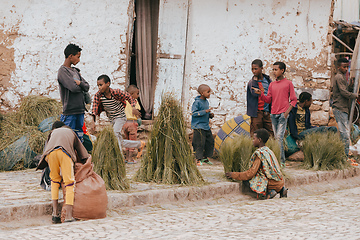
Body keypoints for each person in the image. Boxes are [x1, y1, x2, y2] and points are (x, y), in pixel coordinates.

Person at [36, 121, 89, 224]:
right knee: (69, 183)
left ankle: (55, 214)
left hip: (50, 154)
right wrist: (85, 161)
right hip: (64, 153)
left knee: (54, 181)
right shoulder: (71, 132)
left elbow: (46, 147)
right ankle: (69, 216)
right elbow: (82, 152)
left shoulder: (52, 133)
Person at [90, 75, 146, 159]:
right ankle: (139, 144)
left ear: (108, 84)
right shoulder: (98, 96)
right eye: (98, 85)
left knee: (115, 133)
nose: (99, 87)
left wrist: (133, 107)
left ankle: (119, 158)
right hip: (112, 119)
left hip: (121, 117)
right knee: (118, 140)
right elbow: (94, 109)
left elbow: (129, 96)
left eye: (101, 85)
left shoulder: (116, 92)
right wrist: (93, 122)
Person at [253, 61, 297, 167]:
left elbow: (294, 100)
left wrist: (286, 112)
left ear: (282, 70)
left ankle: (281, 161)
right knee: (276, 138)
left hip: (282, 115)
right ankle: (277, 159)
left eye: (276, 69)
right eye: (273, 69)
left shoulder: (288, 83)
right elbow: (268, 100)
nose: (274, 72)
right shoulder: (272, 84)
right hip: (273, 114)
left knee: (279, 138)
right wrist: (261, 94)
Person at [225, 128, 287, 199]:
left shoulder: (260, 154)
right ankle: (282, 190)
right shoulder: (269, 151)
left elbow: (250, 174)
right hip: (280, 182)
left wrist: (233, 174)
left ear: (259, 140)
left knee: (248, 182)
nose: (252, 141)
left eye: (254, 139)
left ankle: (267, 193)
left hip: (271, 184)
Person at [58, 43, 90, 142]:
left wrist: (79, 83)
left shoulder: (75, 71)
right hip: (70, 112)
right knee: (68, 137)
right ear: (70, 56)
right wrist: (81, 86)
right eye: (78, 57)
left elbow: (87, 86)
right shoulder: (63, 71)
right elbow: (73, 88)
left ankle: (78, 157)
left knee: (79, 138)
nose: (79, 60)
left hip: (80, 110)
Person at [332, 58, 358, 157]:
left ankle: (343, 155)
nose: (346, 69)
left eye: (347, 67)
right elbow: (343, 92)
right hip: (340, 108)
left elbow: (345, 90)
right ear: (338, 67)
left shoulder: (342, 77)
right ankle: (344, 156)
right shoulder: (339, 77)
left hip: (342, 108)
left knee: (344, 133)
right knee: (345, 134)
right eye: (344, 67)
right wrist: (354, 95)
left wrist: (350, 86)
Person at [247, 59, 274, 136]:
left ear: (261, 68)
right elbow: (254, 94)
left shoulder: (268, 81)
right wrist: (255, 81)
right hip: (257, 112)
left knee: (271, 133)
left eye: (256, 69)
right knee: (256, 134)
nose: (254, 71)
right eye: (252, 69)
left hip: (267, 112)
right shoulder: (252, 82)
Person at [191, 84, 215, 166]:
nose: (209, 94)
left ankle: (205, 157)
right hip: (198, 126)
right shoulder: (197, 102)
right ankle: (198, 159)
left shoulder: (206, 102)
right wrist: (205, 112)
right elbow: (194, 113)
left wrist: (210, 115)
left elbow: (206, 113)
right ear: (202, 93)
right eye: (208, 92)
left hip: (205, 126)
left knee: (210, 141)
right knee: (199, 142)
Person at [122, 85, 142, 164]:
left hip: (124, 123)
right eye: (137, 94)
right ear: (132, 94)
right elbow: (136, 112)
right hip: (132, 124)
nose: (138, 96)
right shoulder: (134, 101)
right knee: (132, 141)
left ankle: (127, 158)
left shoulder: (123, 101)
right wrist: (139, 117)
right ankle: (130, 159)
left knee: (127, 141)